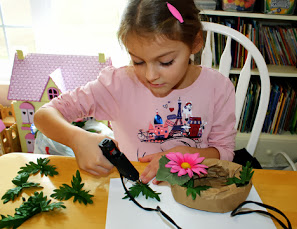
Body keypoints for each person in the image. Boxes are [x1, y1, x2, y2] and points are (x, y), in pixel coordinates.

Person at [34, 0, 236, 185]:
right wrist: (76, 138)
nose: (150, 75)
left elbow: (225, 152)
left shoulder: (218, 87)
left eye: (165, 62)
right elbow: (44, 114)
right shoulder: (117, 85)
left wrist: (189, 155)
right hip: (133, 187)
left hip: (192, 188)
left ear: (195, 43)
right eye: (138, 61)